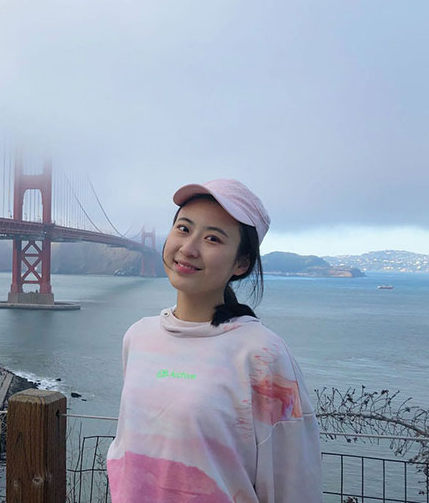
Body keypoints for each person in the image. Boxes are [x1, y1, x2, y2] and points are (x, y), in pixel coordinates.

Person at [106, 179, 322, 502]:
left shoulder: (263, 354)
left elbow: (295, 485)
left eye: (212, 238)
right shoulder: (138, 337)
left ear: (241, 263)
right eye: (182, 229)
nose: (188, 248)